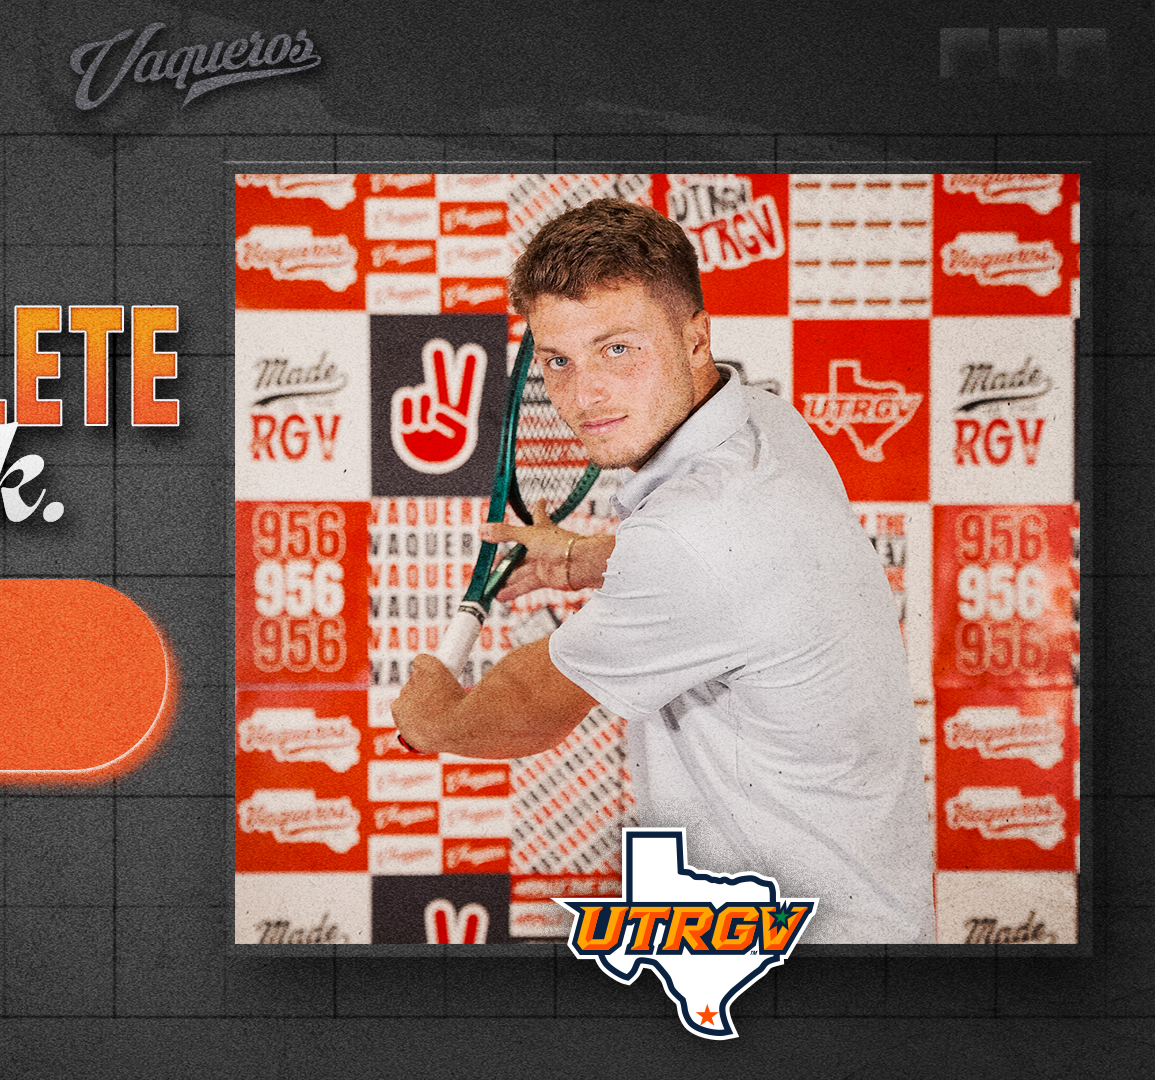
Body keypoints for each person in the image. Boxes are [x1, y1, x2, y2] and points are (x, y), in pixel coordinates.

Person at [389, 198, 933, 944]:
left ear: (696, 336)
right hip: (856, 928)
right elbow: (736, 573)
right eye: (559, 361)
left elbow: (537, 703)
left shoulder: (692, 538)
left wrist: (437, 718)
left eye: (618, 350)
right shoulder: (767, 428)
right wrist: (585, 558)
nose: (584, 396)